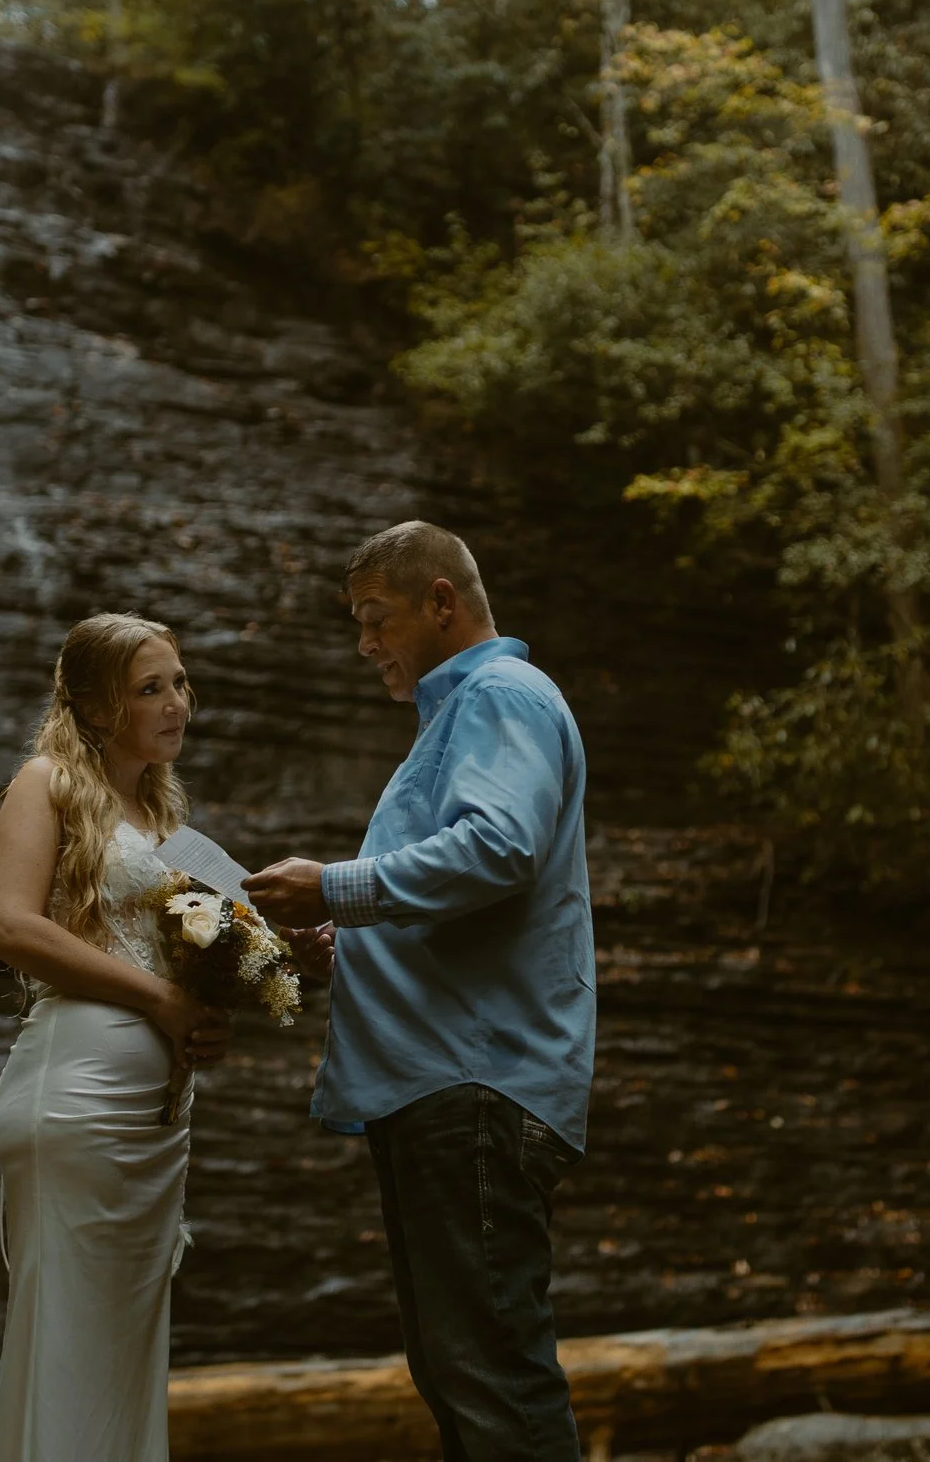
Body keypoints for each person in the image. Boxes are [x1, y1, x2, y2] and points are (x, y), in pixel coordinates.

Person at [245, 522, 595, 1462]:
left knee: (492, 1376)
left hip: (472, 1081)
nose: (365, 644)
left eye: (376, 618)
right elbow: (458, 890)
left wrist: (333, 887)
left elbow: (500, 849)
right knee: (460, 1372)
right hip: (442, 1083)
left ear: (441, 601)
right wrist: (340, 941)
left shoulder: (500, 694)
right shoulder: (456, 718)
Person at [0, 612, 235, 1462]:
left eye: (180, 682)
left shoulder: (166, 815)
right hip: (77, 1100)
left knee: (123, 1357)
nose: (177, 703)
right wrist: (162, 1000)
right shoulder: (44, 782)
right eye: (150, 688)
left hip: (153, 1124)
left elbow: (241, 935)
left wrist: (214, 1010)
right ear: (95, 706)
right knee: (68, 1344)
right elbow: (10, 926)